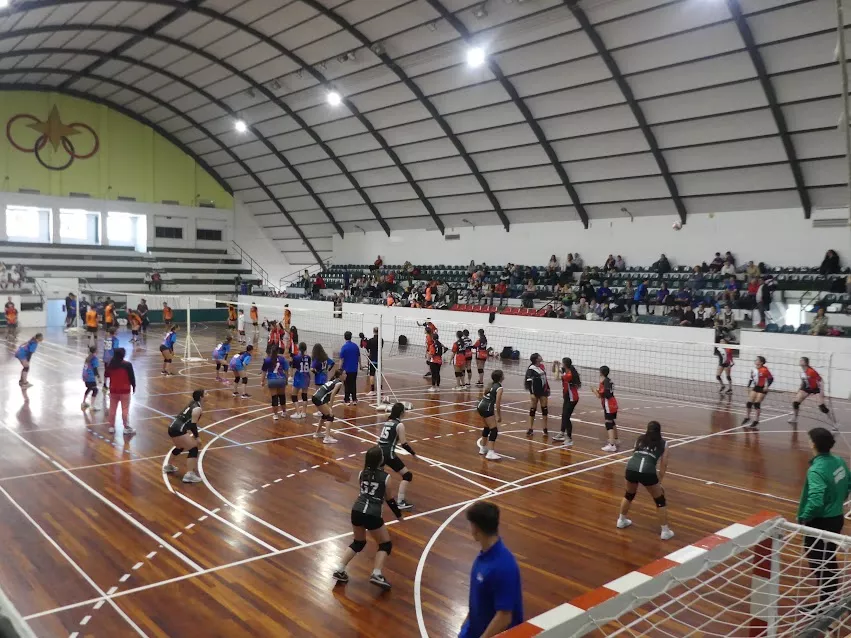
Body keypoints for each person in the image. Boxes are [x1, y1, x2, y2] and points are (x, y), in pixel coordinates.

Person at [332, 445, 403, 590]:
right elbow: (389, 499)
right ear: (380, 460)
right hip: (372, 513)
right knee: (385, 544)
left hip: (357, 510)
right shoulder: (386, 477)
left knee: (358, 542)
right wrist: (399, 515)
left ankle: (340, 569)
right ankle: (377, 573)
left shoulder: (361, 473)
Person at [798, 427, 850, 604]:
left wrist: (804, 517)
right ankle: (829, 601)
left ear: (813, 444)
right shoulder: (838, 461)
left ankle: (826, 604)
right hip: (836, 518)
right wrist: (839, 498)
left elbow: (816, 500)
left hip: (820, 522)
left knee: (819, 563)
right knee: (828, 560)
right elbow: (848, 482)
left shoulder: (816, 470)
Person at [459, 502, 523, 638]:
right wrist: (465, 625)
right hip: (474, 630)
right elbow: (477, 599)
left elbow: (504, 617)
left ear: (476, 528)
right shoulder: (483, 557)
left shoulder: (504, 567)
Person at [617, 421, 674, 540]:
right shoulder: (664, 443)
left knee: (629, 495)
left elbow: (635, 454)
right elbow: (664, 464)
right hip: (647, 471)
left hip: (631, 468)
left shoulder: (639, 439)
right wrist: (659, 481)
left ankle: (621, 520)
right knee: (660, 500)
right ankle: (665, 531)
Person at [377, 402, 416, 510]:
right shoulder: (399, 425)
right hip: (388, 454)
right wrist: (413, 454)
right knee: (407, 475)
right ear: (402, 412)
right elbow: (404, 444)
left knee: (377, 476)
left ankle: (375, 497)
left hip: (378, 452)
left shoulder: (388, 422)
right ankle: (400, 502)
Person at [164, 389, 205, 484]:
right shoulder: (197, 409)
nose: (208, 394)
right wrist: (197, 437)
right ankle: (189, 475)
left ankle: (168, 466)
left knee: (180, 447)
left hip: (172, 427)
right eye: (206, 393)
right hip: (179, 429)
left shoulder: (192, 403)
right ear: (201, 397)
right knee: (193, 448)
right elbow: (193, 425)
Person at [790, 358, 832, 424]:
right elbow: (803, 382)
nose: (800, 361)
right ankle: (795, 418)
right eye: (800, 360)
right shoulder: (801, 372)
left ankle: (834, 423)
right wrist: (799, 390)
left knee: (822, 407)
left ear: (806, 363)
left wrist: (822, 391)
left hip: (815, 388)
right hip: (806, 388)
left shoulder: (811, 371)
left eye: (802, 360)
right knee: (795, 403)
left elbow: (821, 380)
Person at [104, 348, 135, 435]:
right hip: (125, 390)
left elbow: (106, 374)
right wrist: (134, 386)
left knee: (112, 409)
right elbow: (132, 377)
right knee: (125, 409)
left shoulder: (110, 364)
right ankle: (126, 427)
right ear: (123, 355)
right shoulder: (127, 364)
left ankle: (111, 427)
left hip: (113, 390)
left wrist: (105, 384)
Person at [477, 370, 504, 461]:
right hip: (487, 408)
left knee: (486, 427)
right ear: (501, 377)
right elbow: (498, 403)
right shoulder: (499, 388)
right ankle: (490, 452)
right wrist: (499, 416)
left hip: (480, 406)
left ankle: (483, 448)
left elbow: (484, 394)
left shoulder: (490, 384)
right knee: (494, 430)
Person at [553, 357, 580, 446]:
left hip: (572, 398)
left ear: (565, 364)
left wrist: (557, 366)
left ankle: (569, 438)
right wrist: (555, 365)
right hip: (567, 397)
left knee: (566, 417)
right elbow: (554, 371)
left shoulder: (569, 375)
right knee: (564, 415)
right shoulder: (567, 370)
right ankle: (561, 433)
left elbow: (556, 377)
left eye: (562, 363)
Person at [312, 369, 344, 443]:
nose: (346, 375)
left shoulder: (333, 381)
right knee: (330, 415)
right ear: (340, 376)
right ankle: (327, 438)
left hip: (315, 397)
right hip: (319, 398)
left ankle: (317, 433)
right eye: (344, 374)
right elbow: (332, 395)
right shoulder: (339, 383)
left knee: (325, 415)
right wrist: (330, 407)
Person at [593, 366, 619, 451]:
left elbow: (600, 396)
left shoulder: (603, 382)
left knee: (608, 423)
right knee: (612, 421)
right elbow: (605, 392)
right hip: (613, 402)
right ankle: (615, 439)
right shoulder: (609, 381)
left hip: (609, 405)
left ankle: (612, 445)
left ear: (601, 372)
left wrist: (594, 391)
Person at [742, 356, 773, 428]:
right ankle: (747, 417)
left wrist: (767, 386)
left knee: (756, 404)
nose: (755, 360)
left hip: (763, 388)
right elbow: (751, 378)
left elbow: (771, 378)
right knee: (749, 403)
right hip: (756, 387)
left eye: (757, 360)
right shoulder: (753, 369)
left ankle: (756, 420)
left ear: (761, 362)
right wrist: (748, 386)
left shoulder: (765, 370)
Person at [261, 346, 289, 420]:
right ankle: (284, 412)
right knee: (282, 396)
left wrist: (262, 381)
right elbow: (286, 371)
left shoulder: (267, 360)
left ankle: (275, 415)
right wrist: (286, 380)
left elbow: (264, 372)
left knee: (274, 397)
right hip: (281, 379)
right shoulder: (283, 359)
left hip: (272, 380)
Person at [524, 353, 549, 437]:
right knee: (533, 410)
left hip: (543, 391)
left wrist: (548, 388)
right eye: (539, 356)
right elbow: (528, 382)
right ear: (536, 359)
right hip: (535, 392)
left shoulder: (541, 366)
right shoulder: (531, 369)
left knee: (544, 410)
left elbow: (545, 379)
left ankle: (545, 429)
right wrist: (531, 393)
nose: (541, 357)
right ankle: (530, 429)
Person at [291, 342, 312, 418]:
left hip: (299, 376)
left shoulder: (296, 357)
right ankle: (304, 412)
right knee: (304, 395)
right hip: (306, 376)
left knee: (294, 395)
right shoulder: (308, 357)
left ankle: (298, 413)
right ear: (306, 348)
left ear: (299, 348)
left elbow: (293, 367)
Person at [340, 331, 360, 405]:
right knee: (353, 384)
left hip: (346, 370)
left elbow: (341, 359)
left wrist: (340, 369)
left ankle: (347, 400)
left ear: (344, 337)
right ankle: (354, 399)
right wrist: (360, 365)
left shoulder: (344, 347)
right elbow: (359, 356)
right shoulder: (355, 346)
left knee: (347, 385)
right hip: (354, 369)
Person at [81, 345, 101, 412]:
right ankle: (92, 406)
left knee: (89, 388)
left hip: (85, 376)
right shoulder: (94, 358)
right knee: (95, 390)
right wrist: (99, 378)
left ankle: (83, 403)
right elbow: (95, 369)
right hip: (90, 377)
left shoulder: (88, 357)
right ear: (95, 351)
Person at [426, 327, 443, 393]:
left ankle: (433, 387)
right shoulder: (440, 344)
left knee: (433, 374)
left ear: (433, 338)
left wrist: (428, 359)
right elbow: (442, 351)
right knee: (438, 373)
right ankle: (438, 387)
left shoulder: (432, 345)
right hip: (439, 360)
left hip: (434, 361)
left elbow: (431, 354)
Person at [364, 327, 379, 397]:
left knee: (372, 374)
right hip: (379, 359)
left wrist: (368, 353)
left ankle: (372, 390)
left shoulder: (371, 340)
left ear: (373, 331)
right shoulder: (381, 340)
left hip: (373, 359)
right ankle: (380, 389)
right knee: (379, 374)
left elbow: (367, 348)